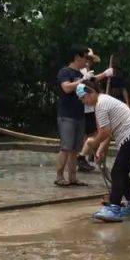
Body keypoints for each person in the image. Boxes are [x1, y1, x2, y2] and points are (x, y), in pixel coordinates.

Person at [78, 80, 130, 222]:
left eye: (83, 98)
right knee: (122, 172)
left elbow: (104, 132)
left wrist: (94, 143)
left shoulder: (101, 104)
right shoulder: (102, 102)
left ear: (90, 92)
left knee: (117, 172)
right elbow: (107, 132)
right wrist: (100, 150)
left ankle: (114, 207)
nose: (82, 102)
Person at [56, 45, 94, 187]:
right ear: (77, 57)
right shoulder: (65, 71)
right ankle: (59, 176)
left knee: (75, 149)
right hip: (67, 115)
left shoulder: (81, 73)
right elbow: (66, 88)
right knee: (66, 147)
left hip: (79, 114)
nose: (87, 62)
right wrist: (82, 81)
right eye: (85, 58)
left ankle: (73, 177)